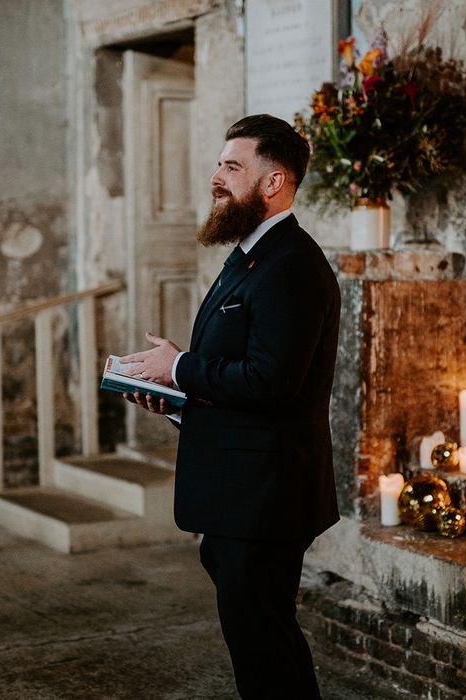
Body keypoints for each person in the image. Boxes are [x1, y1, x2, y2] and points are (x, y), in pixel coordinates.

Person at [121, 114, 341, 699]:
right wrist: (174, 400)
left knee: (266, 649)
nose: (217, 177)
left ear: (274, 182)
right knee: (260, 646)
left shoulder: (291, 266)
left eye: (232, 166)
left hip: (265, 494)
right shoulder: (249, 256)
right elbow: (240, 377)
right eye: (220, 164)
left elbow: (272, 383)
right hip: (239, 490)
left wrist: (179, 367)